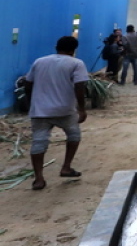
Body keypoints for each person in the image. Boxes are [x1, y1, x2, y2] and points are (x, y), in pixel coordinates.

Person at [23, 36, 88, 190]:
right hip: (65, 110)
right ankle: (66, 167)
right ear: (74, 50)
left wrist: (31, 102)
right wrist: (82, 108)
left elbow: (27, 83)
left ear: (56, 46)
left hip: (40, 110)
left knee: (39, 142)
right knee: (73, 136)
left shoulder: (40, 61)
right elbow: (80, 86)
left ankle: (39, 178)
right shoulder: (76, 63)